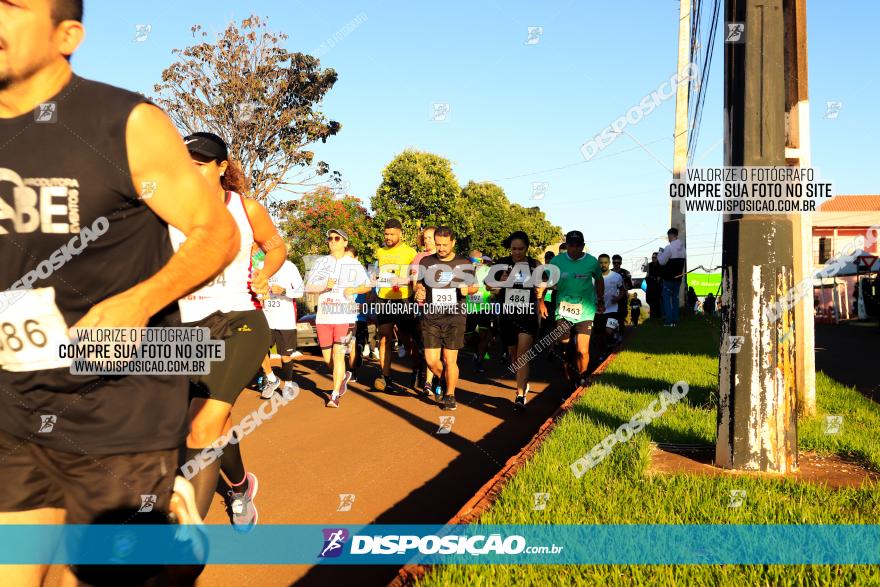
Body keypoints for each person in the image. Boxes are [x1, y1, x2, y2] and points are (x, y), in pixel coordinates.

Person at [0, 3, 235, 583]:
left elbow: (216, 234)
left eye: (12, 4)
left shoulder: (124, 123)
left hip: (118, 405)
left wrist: (140, 301)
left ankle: (174, 527)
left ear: (67, 35)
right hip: (12, 406)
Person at [169, 132, 287, 533]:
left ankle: (181, 543)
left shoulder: (246, 207)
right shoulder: (166, 211)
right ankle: (239, 487)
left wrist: (266, 275)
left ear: (222, 168)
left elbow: (276, 246)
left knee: (201, 428)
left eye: (200, 163)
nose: (190, 169)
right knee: (210, 423)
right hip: (187, 330)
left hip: (241, 321)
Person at [304, 229, 372, 408]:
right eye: (330, 238)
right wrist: (323, 287)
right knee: (328, 361)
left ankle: (334, 395)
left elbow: (367, 287)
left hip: (344, 316)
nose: (332, 241)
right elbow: (308, 287)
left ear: (344, 242)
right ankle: (343, 377)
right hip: (324, 317)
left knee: (338, 354)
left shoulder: (353, 264)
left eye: (336, 238)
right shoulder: (321, 262)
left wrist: (354, 290)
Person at [415, 227, 478, 410]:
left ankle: (450, 394)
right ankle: (445, 380)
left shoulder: (463, 262)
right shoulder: (426, 262)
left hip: (454, 317)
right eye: (438, 244)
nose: (441, 248)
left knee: (449, 358)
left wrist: (468, 289)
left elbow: (474, 287)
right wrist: (419, 291)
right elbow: (419, 285)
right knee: (431, 361)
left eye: (444, 244)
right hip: (431, 317)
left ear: (453, 243)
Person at [537, 231, 605, 391]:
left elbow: (599, 279)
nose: (574, 249)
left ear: (583, 246)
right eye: (571, 245)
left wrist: (600, 298)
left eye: (578, 245)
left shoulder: (591, 262)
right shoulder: (556, 261)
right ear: (566, 245)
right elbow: (545, 281)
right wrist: (541, 302)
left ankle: (582, 378)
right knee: (565, 351)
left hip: (585, 312)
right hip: (563, 311)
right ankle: (569, 382)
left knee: (582, 351)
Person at [492, 231, 541, 410]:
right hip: (507, 314)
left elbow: (543, 285)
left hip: (527, 314)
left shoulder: (535, 265)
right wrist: (500, 282)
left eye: (521, 249)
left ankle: (520, 395)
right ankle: (523, 383)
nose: (517, 252)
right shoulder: (501, 264)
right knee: (514, 355)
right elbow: (489, 286)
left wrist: (541, 293)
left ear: (527, 248)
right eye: (514, 249)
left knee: (523, 355)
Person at [374, 219, 418, 392]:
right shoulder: (380, 251)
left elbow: (414, 276)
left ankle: (417, 368)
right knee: (384, 337)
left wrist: (405, 281)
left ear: (400, 233)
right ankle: (385, 376)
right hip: (384, 298)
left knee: (406, 339)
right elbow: (379, 272)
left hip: (404, 299)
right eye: (386, 233)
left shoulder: (410, 252)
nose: (388, 237)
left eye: (392, 234)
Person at [259, 258, 304, 400]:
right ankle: (271, 379)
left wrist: (283, 290)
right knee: (258, 351)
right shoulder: (261, 266)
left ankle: (289, 384)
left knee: (285, 356)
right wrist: (260, 294)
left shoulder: (290, 267)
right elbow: (255, 289)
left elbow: (300, 291)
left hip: (285, 320)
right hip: (266, 318)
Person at [411, 226, 437, 393]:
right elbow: (415, 283)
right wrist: (419, 289)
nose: (427, 240)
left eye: (431, 237)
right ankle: (419, 372)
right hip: (422, 306)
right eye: (425, 237)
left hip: (440, 307)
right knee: (422, 343)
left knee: (433, 344)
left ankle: (429, 380)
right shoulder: (419, 258)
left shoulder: (444, 257)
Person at [465, 250, 494, 375]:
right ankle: (476, 352)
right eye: (473, 260)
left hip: (484, 307)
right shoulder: (464, 271)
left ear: (481, 260)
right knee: (468, 337)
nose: (475, 263)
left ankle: (479, 360)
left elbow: (492, 285)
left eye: (478, 260)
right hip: (468, 308)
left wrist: (492, 293)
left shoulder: (488, 270)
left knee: (483, 335)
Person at [596, 254, 625, 357]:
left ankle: (610, 345)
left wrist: (618, 298)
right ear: (598, 263)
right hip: (598, 310)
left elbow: (622, 290)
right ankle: (604, 351)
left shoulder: (617, 276)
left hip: (613, 309)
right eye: (601, 263)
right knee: (599, 334)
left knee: (609, 331)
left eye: (605, 262)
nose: (603, 265)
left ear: (609, 263)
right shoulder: (593, 277)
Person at [658, 227, 686, 327]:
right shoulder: (683, 248)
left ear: (671, 235)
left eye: (668, 236)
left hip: (668, 278)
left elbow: (662, 262)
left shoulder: (669, 248)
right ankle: (675, 320)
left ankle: (669, 321)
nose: (668, 238)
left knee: (666, 300)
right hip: (678, 278)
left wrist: (660, 253)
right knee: (675, 299)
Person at [611, 254, 633, 335]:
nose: (616, 264)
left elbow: (630, 285)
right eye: (615, 263)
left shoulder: (625, 272)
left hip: (622, 298)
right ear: (612, 263)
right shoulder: (609, 272)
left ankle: (620, 335)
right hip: (612, 298)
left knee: (621, 317)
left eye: (618, 263)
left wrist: (625, 288)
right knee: (612, 317)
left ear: (621, 263)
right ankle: (612, 334)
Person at [646, 252, 663, 321]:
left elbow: (661, 275)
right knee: (649, 299)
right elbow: (646, 273)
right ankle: (652, 315)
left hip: (657, 286)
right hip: (649, 285)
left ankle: (657, 316)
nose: (653, 259)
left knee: (656, 300)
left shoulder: (660, 265)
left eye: (654, 257)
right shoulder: (649, 265)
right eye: (652, 257)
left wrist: (659, 277)